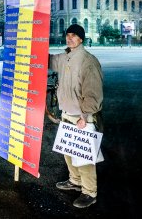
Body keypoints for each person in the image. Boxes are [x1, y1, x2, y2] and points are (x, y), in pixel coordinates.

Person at [49, 24, 104, 208]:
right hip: (66, 113)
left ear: (81, 39)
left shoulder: (88, 61)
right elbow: (48, 61)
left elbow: (93, 93)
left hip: (81, 117)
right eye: (67, 35)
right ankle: (75, 180)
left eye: (74, 35)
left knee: (84, 156)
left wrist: (85, 116)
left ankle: (89, 192)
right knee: (68, 152)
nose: (69, 38)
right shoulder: (65, 57)